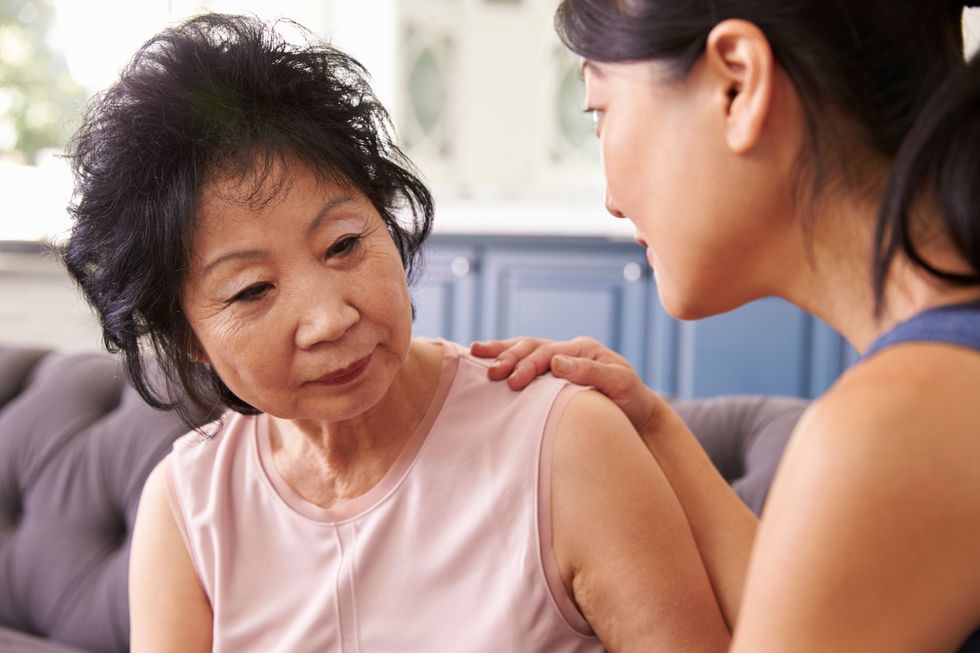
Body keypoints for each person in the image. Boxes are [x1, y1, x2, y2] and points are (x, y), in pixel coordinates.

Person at [60, 13, 731, 652]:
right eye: (253, 289)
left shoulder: (564, 442)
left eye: (345, 244)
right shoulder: (188, 505)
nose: (331, 319)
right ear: (184, 336)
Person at [473, 1, 980, 651]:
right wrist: (655, 425)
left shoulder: (896, 428)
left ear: (737, 86)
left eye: (600, 111)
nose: (610, 199)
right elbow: (807, 612)